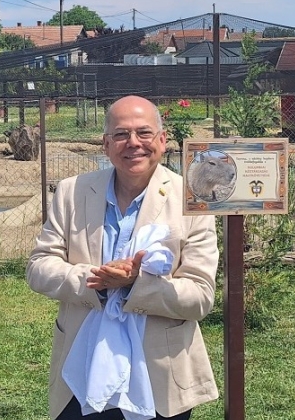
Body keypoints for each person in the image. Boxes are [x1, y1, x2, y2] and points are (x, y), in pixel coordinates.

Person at [26, 96, 219, 420]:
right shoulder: (72, 192)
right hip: (81, 370)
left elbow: (200, 296)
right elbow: (39, 267)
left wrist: (134, 285)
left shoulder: (190, 200)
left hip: (158, 375)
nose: (133, 143)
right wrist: (97, 280)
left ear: (162, 139)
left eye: (144, 133)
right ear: (105, 144)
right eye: (121, 134)